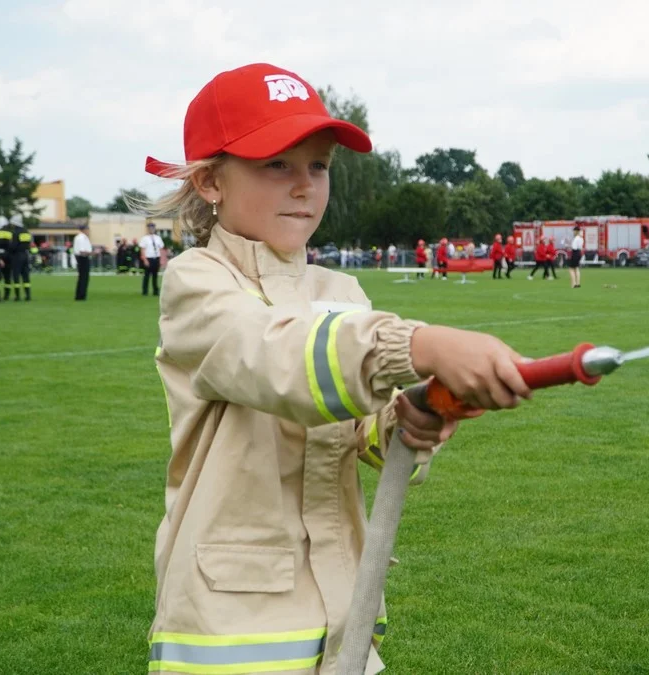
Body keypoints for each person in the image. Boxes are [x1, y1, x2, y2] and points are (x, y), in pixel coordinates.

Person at [139, 63, 531, 675]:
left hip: (343, 622)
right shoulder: (196, 283)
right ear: (211, 181)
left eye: (318, 165)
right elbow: (277, 357)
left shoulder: (340, 288)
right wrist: (416, 346)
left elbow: (359, 435)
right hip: (231, 628)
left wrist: (410, 422)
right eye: (277, 164)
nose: (305, 186)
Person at [9, 214, 36, 301]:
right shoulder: (26, 232)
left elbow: (13, 246)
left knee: (16, 275)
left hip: (17, 255)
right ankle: (28, 295)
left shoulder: (15, 233)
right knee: (26, 276)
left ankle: (17, 296)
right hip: (25, 255)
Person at [140, 222, 168, 296]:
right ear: (148, 229)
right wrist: (145, 260)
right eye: (150, 228)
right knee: (147, 276)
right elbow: (142, 250)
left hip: (156, 258)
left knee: (155, 276)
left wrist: (162, 259)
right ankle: (145, 291)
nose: (151, 229)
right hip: (149, 258)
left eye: (152, 228)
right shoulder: (144, 238)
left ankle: (155, 291)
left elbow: (161, 249)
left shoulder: (158, 238)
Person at [73, 223, 93, 301]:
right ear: (84, 229)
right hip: (83, 258)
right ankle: (81, 295)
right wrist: (92, 253)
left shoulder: (78, 237)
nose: (88, 231)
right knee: (84, 278)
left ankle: (79, 295)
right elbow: (82, 251)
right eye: (87, 229)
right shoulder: (82, 238)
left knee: (81, 277)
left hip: (81, 258)